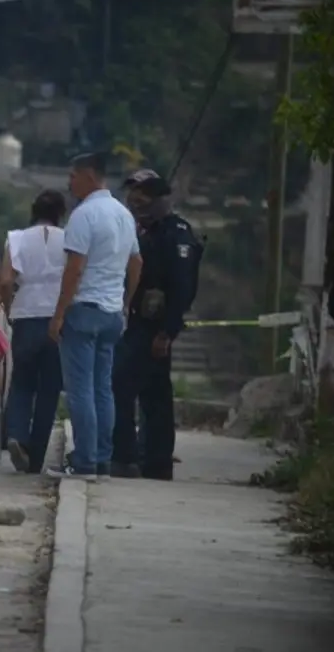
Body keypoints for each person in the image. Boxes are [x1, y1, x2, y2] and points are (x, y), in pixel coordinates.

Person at [46, 152, 142, 482]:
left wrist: (58, 315)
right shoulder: (124, 215)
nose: (69, 182)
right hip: (112, 312)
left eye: (73, 176)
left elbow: (75, 268)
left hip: (84, 310)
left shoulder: (84, 215)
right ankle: (102, 457)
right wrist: (126, 303)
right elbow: (136, 263)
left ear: (89, 176)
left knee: (80, 390)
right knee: (103, 388)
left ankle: (85, 460)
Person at [113, 172, 202, 481]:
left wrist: (167, 331)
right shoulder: (145, 231)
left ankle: (125, 457)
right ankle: (154, 459)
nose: (135, 203)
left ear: (159, 199)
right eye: (133, 197)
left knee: (122, 386)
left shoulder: (176, 235)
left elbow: (182, 287)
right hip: (138, 322)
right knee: (154, 393)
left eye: (142, 197)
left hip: (154, 327)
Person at [1, 190, 67, 475]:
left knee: (22, 381)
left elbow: (5, 280)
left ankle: (17, 434)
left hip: (26, 315)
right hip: (58, 318)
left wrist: (8, 306)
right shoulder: (70, 240)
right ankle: (36, 456)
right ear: (61, 214)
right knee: (50, 388)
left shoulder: (16, 238)